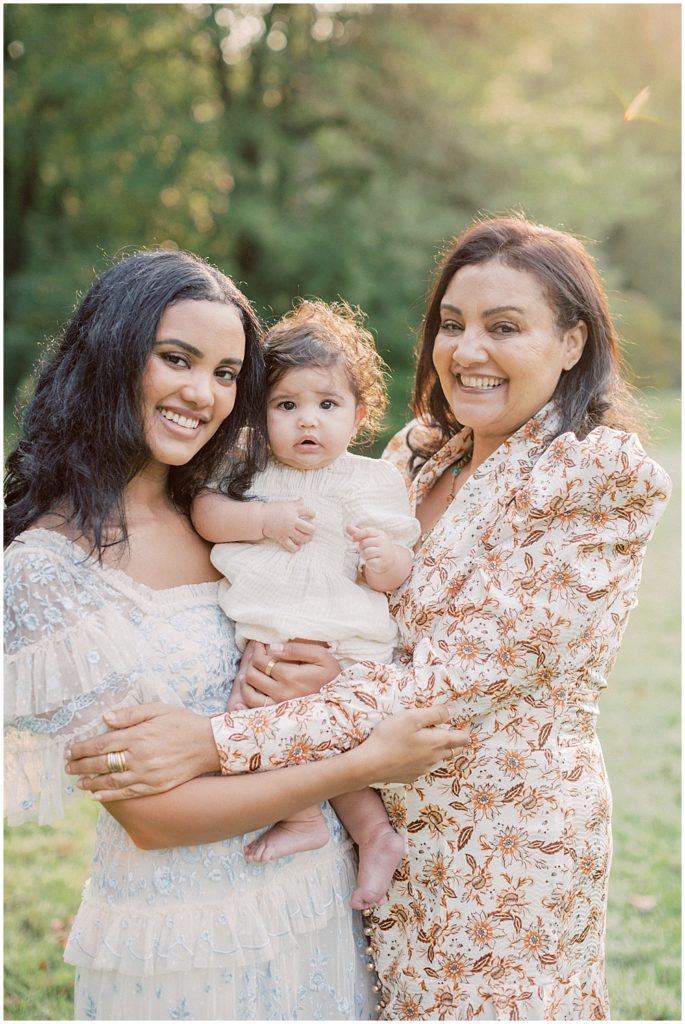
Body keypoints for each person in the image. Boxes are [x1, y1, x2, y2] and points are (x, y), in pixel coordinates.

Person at [65, 216, 671, 1020]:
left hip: (500, 848)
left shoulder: (595, 472)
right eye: (451, 325)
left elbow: (444, 684)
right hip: (369, 842)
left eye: (504, 327)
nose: (467, 350)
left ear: (571, 342)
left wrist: (216, 739)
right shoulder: (422, 451)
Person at [3, 248, 468, 1022]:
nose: (202, 393)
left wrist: (318, 681)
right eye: (177, 359)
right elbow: (154, 818)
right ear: (112, 355)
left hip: (317, 905)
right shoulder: (46, 570)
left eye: (225, 374)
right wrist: (365, 762)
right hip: (189, 936)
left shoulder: (224, 510)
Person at [192, 299, 420, 909]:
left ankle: (370, 832)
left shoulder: (371, 479)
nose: (306, 421)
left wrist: (383, 561)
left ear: (359, 414)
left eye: (327, 405)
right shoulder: (247, 464)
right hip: (272, 636)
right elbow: (206, 514)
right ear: (259, 413)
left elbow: (400, 565)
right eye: (286, 406)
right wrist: (263, 519)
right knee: (260, 723)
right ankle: (307, 819)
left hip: (342, 644)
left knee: (313, 736)